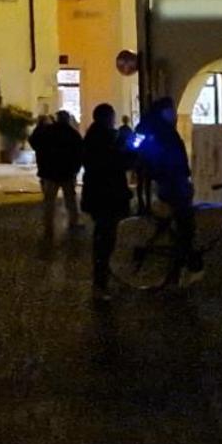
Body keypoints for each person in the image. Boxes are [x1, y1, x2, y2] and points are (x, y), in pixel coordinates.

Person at [132, 98, 199, 285]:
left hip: (163, 179)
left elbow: (136, 147)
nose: (175, 114)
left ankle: (178, 265)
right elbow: (174, 157)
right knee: (186, 225)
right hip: (171, 181)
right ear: (164, 111)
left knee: (177, 222)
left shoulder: (150, 127)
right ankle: (191, 266)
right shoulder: (164, 130)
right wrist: (183, 176)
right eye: (172, 110)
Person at [80, 103, 132, 303]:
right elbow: (116, 163)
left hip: (98, 195)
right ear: (107, 118)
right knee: (104, 239)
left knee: (103, 237)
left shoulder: (94, 136)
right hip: (107, 195)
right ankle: (100, 284)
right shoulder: (105, 139)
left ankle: (102, 280)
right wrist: (128, 152)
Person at [32, 110, 84, 242]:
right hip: (67, 173)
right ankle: (73, 223)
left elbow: (34, 142)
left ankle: (48, 228)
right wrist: (75, 169)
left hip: (50, 172)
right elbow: (80, 152)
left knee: (49, 202)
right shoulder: (72, 134)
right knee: (70, 200)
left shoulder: (48, 132)